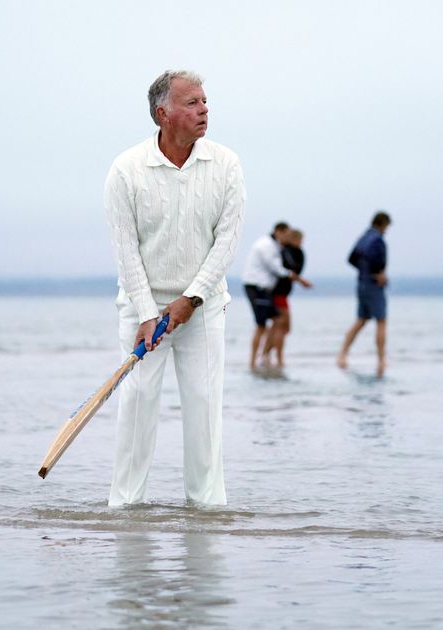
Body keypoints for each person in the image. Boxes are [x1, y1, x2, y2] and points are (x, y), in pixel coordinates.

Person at [103, 70, 245, 506]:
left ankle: (206, 508)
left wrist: (190, 300)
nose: (203, 110)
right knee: (139, 402)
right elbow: (125, 251)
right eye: (192, 103)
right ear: (162, 113)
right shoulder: (126, 170)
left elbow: (227, 241)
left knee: (203, 407)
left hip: (203, 307)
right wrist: (149, 313)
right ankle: (125, 507)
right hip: (142, 306)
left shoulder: (226, 164)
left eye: (205, 101)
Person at [241, 223, 311, 371]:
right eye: (286, 234)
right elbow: (277, 268)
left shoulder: (276, 246)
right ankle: (254, 362)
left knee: (277, 322)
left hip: (264, 289)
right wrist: (299, 279)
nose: (287, 238)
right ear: (278, 232)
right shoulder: (267, 246)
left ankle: (264, 357)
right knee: (262, 326)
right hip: (256, 287)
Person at [337, 211, 392, 377]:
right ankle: (381, 359)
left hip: (361, 282)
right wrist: (378, 272)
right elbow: (376, 259)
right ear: (383, 224)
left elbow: (351, 258)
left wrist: (363, 270)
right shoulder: (377, 239)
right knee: (381, 321)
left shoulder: (363, 238)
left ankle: (342, 354)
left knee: (361, 320)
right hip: (373, 284)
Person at [263, 228, 306, 369]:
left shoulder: (288, 252)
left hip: (281, 293)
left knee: (279, 326)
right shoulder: (286, 252)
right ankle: (276, 357)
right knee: (282, 326)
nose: (301, 243)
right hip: (278, 293)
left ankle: (267, 354)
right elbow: (288, 272)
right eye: (300, 240)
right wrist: (301, 280)